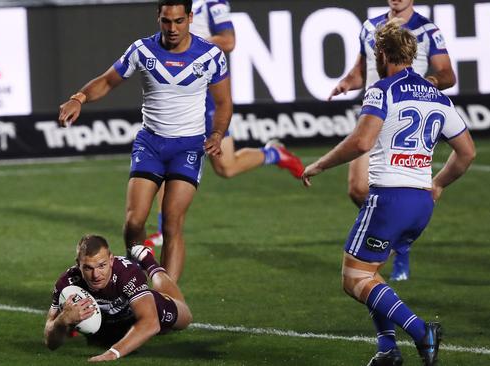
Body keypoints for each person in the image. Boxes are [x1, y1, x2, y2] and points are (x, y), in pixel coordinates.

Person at [303, 19, 475, 366]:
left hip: (388, 199)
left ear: (381, 54)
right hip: (420, 204)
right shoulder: (438, 96)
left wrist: (319, 164)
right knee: (372, 274)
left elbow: (361, 141)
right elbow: (467, 152)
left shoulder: (383, 89)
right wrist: (438, 183)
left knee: (354, 278)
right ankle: (387, 349)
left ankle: (420, 331)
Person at [58, 0, 232, 282]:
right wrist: (79, 98)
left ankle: (168, 297)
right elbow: (107, 81)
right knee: (133, 222)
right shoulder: (142, 50)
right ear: (158, 18)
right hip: (150, 145)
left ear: (189, 17)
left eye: (178, 21)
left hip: (188, 147)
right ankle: (137, 282)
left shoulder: (211, 55)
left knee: (172, 222)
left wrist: (216, 134)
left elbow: (224, 104)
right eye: (166, 21)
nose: (172, 28)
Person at [147, 0, 304, 247]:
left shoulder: (212, 3)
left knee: (226, 167)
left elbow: (228, 41)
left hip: (205, 91)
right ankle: (162, 230)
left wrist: (191, 43)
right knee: (166, 150)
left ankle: (273, 154)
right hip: (177, 87)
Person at [329, 0, 456, 281]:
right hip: (374, 114)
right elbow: (359, 71)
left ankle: (395, 248)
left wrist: (425, 85)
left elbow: (448, 74)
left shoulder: (426, 29)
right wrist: (346, 83)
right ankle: (392, 239)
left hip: (404, 117)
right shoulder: (370, 28)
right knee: (356, 188)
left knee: (391, 186)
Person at [44, 234, 192, 361]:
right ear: (78, 264)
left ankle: (150, 263)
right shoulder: (66, 284)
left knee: (183, 319)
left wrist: (113, 353)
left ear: (111, 260)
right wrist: (62, 320)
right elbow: (50, 343)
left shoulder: (127, 273)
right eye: (88, 268)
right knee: (101, 341)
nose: (96, 275)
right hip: (108, 324)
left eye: (102, 266)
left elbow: (150, 323)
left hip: (133, 314)